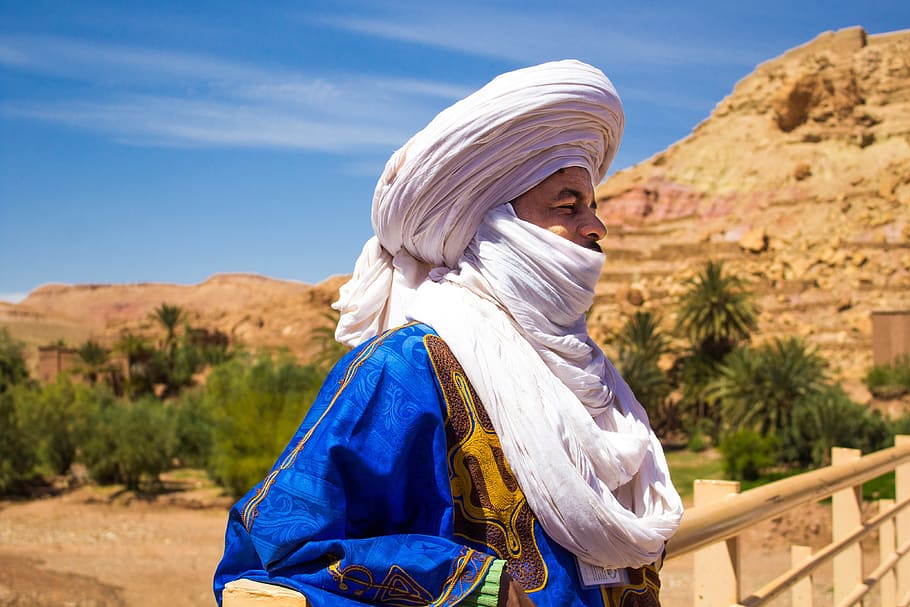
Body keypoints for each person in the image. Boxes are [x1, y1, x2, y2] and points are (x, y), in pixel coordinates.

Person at [214, 59, 683, 607]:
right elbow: (277, 552)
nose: (596, 226)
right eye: (568, 204)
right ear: (492, 223)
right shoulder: (406, 368)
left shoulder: (593, 382)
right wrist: (482, 590)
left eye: (593, 206)